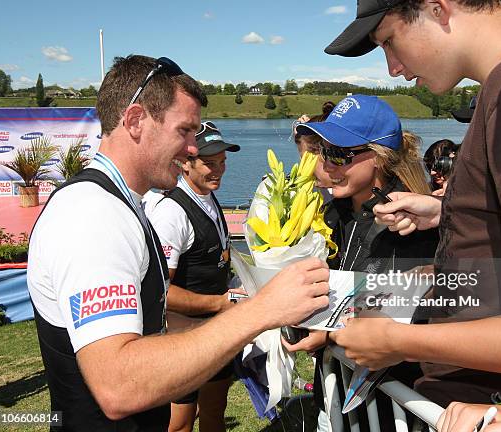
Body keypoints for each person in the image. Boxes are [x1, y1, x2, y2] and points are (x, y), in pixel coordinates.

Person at [324, 0, 501, 430]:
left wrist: (398, 341)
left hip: (496, 410)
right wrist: (446, 213)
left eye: (390, 42)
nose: (393, 68)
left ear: (437, 8)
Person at [27, 54, 330, 431]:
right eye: (184, 131)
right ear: (136, 120)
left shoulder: (121, 203)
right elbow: (119, 384)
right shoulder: (94, 214)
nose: (192, 149)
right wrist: (262, 310)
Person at [291, 95, 439, 431]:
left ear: (379, 159)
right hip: (341, 390)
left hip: (396, 400)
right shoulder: (334, 214)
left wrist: (329, 334)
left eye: (339, 154)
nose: (327, 165)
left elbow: (411, 318)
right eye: (322, 151)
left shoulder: (409, 223)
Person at [148, 122, 241, 432]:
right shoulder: (171, 212)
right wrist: (218, 303)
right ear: (184, 163)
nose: (219, 170)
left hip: (216, 330)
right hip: (182, 338)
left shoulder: (209, 197)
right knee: (180, 423)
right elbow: (160, 292)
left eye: (223, 161)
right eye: (209, 163)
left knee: (215, 409)